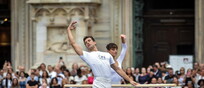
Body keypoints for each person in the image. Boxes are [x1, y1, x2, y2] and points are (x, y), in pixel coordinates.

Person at [66, 21, 138, 88]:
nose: (87, 42)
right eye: (85, 43)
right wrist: (69, 30)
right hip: (98, 85)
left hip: (108, 85)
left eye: (89, 40)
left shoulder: (107, 55)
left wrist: (130, 80)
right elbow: (73, 43)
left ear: (94, 42)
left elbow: (117, 69)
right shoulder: (87, 55)